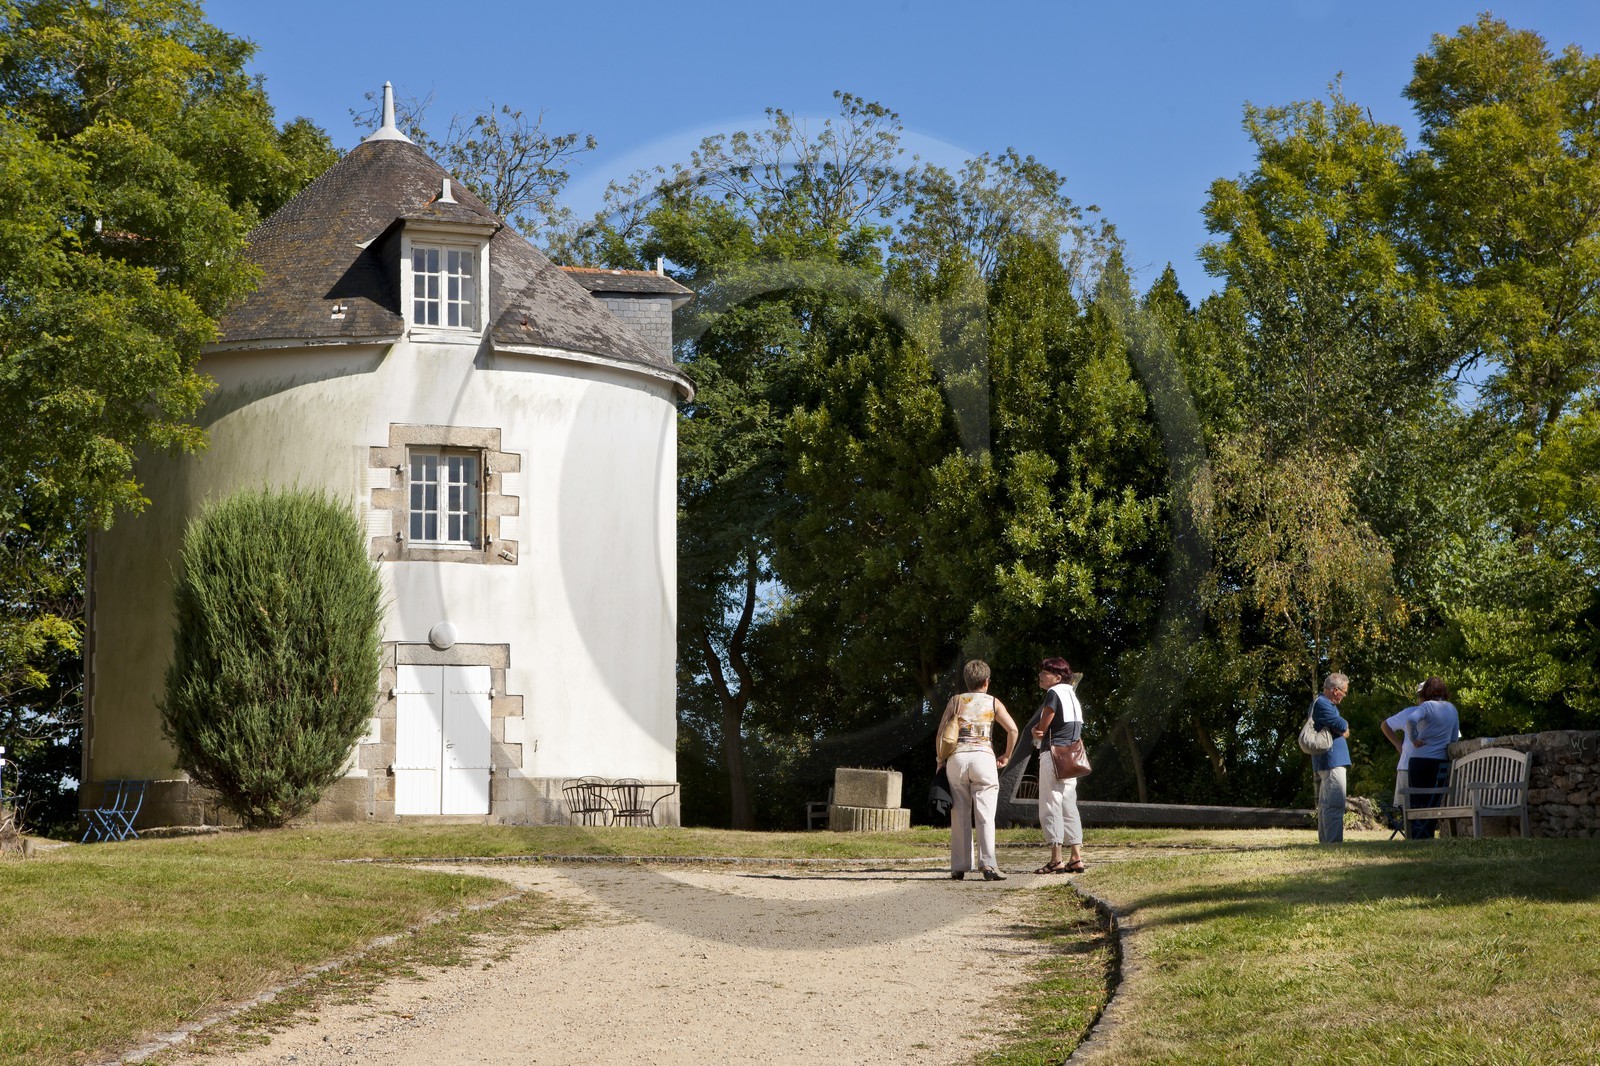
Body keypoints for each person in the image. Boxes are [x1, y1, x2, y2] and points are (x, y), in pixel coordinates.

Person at [935, 659, 1018, 881]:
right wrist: (1007, 755)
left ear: (967, 681)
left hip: (957, 759)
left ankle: (960, 866)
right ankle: (988, 865)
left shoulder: (955, 701)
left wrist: (940, 761)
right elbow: (1013, 730)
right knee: (985, 815)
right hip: (984, 759)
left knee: (959, 813)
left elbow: (941, 733)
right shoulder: (993, 703)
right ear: (987, 681)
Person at [1028, 656, 1087, 874]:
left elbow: (1044, 726)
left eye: (1045, 672)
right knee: (1069, 804)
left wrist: (1037, 730)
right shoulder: (1071, 694)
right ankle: (1076, 857)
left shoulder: (1053, 693)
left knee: (1050, 803)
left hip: (1053, 754)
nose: (1040, 676)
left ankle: (1056, 859)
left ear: (1057, 677)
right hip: (1071, 756)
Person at [1395, 676, 1461, 838]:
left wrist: (1414, 739)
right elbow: (1454, 738)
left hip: (1419, 759)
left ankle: (1417, 834)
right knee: (1433, 799)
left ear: (1426, 692)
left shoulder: (1426, 706)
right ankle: (1428, 833)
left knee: (1418, 799)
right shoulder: (1452, 709)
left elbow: (1411, 720)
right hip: (1439, 760)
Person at [1311, 672, 1352, 844]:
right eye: (1344, 692)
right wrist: (1343, 727)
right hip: (1331, 762)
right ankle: (1333, 843)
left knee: (1327, 805)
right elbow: (1342, 725)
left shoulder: (1325, 704)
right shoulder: (1322, 704)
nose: (1344, 696)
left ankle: (1326, 842)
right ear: (1335, 690)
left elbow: (1341, 726)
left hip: (1330, 761)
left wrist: (1341, 728)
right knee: (1334, 805)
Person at [1382, 681, 1425, 809]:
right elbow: (1385, 725)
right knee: (1406, 808)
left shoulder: (1441, 714)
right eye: (1420, 695)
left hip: (1423, 767)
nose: (1421, 699)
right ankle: (1411, 828)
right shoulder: (1410, 712)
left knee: (1418, 808)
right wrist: (1397, 744)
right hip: (1407, 766)